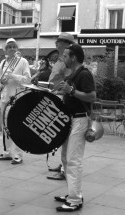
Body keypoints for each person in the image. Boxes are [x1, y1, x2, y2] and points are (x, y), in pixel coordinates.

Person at [54, 43, 96, 212]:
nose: (63, 58)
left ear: (74, 58)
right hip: (71, 120)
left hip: (79, 120)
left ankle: (75, 200)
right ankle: (73, 192)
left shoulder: (84, 74)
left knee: (73, 160)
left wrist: (70, 91)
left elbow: (92, 97)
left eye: (65, 56)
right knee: (65, 159)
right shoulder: (74, 74)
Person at [0, 38, 31, 165]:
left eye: (14, 47)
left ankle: (18, 155)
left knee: (17, 126)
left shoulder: (22, 61)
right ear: (5, 49)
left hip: (17, 98)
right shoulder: (3, 62)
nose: (12, 49)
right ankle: (7, 152)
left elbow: (27, 80)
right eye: (9, 47)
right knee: (5, 126)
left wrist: (13, 76)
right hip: (5, 97)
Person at [47, 32, 75, 180]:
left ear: (67, 45)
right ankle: (62, 163)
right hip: (56, 98)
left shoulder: (68, 62)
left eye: (59, 41)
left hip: (63, 100)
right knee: (61, 136)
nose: (56, 44)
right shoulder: (59, 60)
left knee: (65, 136)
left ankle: (65, 168)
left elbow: (68, 82)